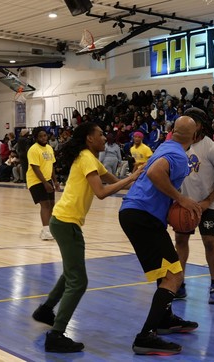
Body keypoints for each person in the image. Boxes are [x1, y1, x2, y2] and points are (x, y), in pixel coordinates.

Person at [31, 122, 142, 353]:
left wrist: (137, 177)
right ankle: (57, 334)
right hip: (66, 222)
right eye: (101, 134)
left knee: (72, 272)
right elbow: (101, 193)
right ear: (90, 138)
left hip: (63, 221)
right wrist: (132, 178)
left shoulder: (88, 157)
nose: (105, 137)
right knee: (79, 281)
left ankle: (46, 310)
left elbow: (111, 180)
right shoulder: (87, 158)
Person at [118, 116, 201, 356]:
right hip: (142, 215)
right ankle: (146, 336)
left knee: (165, 270)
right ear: (194, 138)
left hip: (134, 213)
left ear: (172, 131)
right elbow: (155, 172)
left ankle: (164, 320)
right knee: (175, 274)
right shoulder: (178, 156)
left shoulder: (165, 146)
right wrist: (180, 198)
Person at [172, 109, 214, 304]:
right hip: (184, 204)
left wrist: (208, 200)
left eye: (191, 122)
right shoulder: (178, 147)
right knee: (180, 242)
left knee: (209, 242)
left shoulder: (212, 148)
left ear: (199, 125)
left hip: (207, 205)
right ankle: (179, 284)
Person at [27, 129, 59, 240]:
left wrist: (55, 181)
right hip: (36, 180)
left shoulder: (49, 148)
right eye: (41, 136)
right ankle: (46, 231)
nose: (44, 138)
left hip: (48, 180)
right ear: (36, 138)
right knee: (45, 205)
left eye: (45, 135)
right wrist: (45, 183)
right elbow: (35, 168)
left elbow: (52, 166)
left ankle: (47, 229)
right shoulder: (33, 150)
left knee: (52, 205)